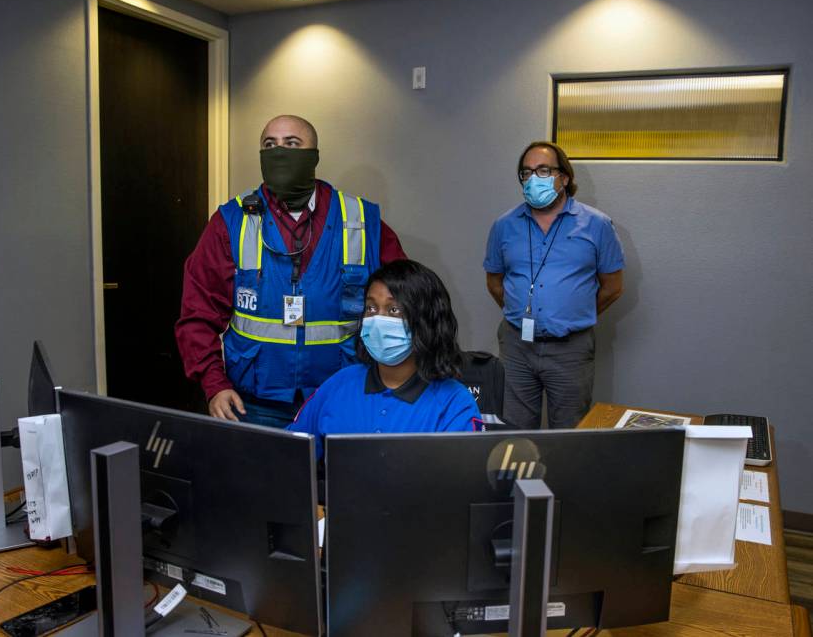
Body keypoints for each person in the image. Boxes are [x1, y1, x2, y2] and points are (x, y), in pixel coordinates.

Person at [176, 115, 406, 427]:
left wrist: (393, 379)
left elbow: (404, 304)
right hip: (253, 404)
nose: (279, 152)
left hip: (343, 397)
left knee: (340, 477)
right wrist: (214, 385)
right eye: (269, 145)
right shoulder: (231, 222)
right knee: (262, 477)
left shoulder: (361, 220)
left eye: (292, 144)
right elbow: (197, 314)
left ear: (314, 156)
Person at [484, 141, 624, 429]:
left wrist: (573, 314)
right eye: (526, 172)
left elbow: (613, 286)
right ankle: (521, 477)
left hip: (571, 348)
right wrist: (525, 314)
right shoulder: (504, 225)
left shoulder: (597, 225)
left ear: (564, 177)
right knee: (514, 432)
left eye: (544, 170)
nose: (534, 178)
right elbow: (495, 282)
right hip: (516, 348)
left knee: (570, 433)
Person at [290, 260, 482, 458]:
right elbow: (289, 456)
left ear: (426, 321)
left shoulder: (454, 403)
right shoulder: (340, 383)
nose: (377, 321)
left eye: (394, 310)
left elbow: (461, 483)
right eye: (371, 308)